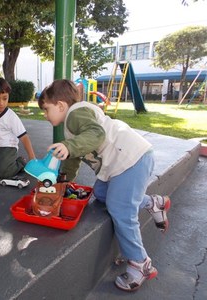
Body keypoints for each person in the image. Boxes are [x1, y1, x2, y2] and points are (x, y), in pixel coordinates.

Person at [37, 79, 170, 292]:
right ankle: (153, 203)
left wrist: (68, 145)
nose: (45, 115)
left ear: (61, 105)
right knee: (100, 192)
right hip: (122, 163)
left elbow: (96, 134)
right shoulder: (71, 127)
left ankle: (140, 263)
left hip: (130, 160)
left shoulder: (76, 114)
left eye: (46, 109)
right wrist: (62, 183)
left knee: (121, 209)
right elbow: (72, 160)